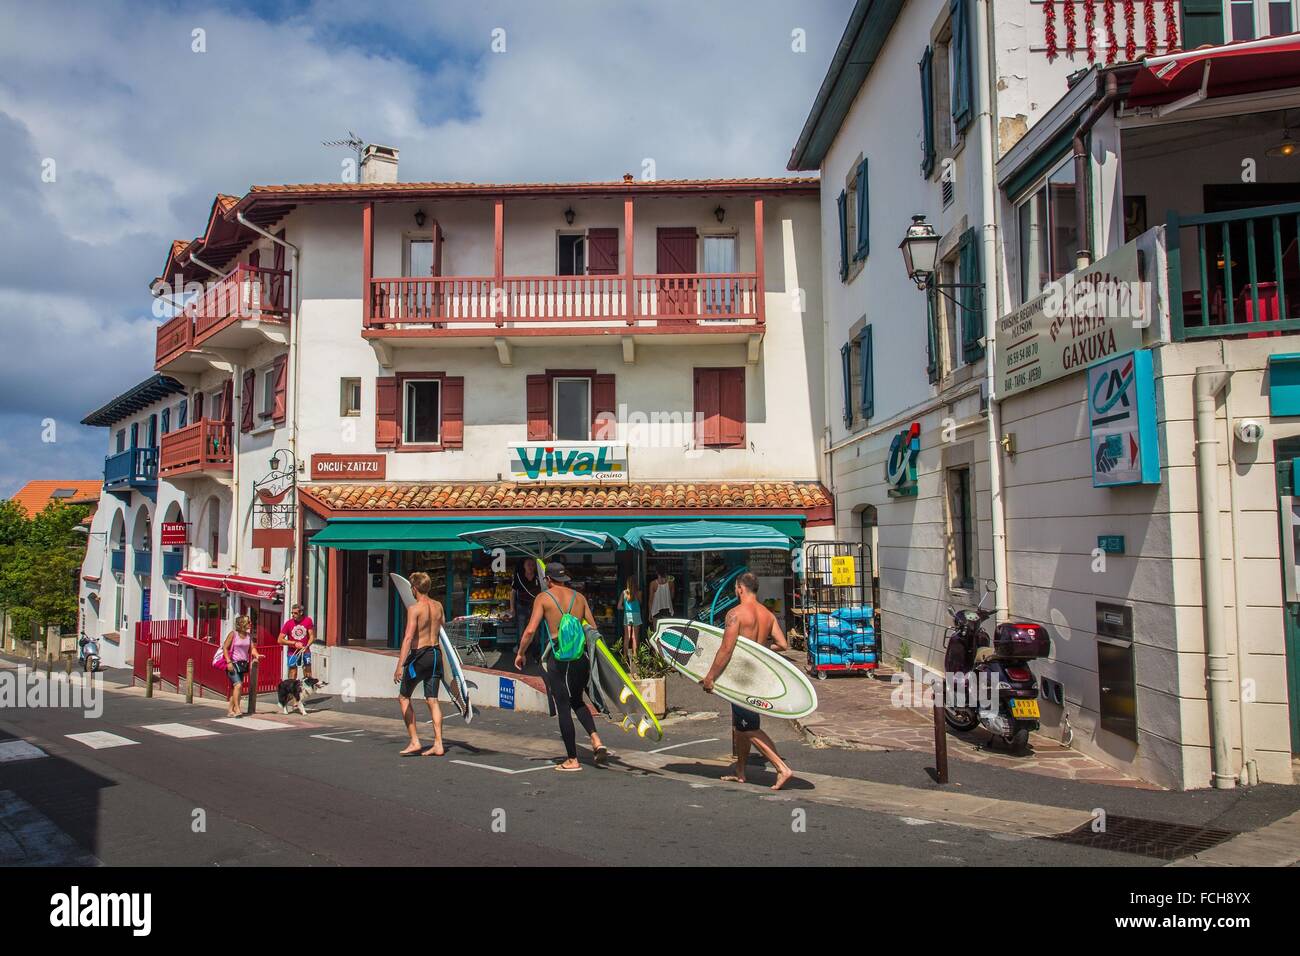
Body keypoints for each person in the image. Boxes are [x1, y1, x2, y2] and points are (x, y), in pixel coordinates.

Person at [701, 572, 795, 791]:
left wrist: (710, 677)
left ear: (740, 589)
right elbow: (782, 645)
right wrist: (760, 649)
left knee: (748, 728)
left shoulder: (736, 614)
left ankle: (782, 768)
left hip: (741, 680)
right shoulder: (767, 615)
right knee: (741, 726)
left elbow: (726, 649)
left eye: (736, 588)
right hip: (757, 678)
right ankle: (740, 771)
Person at [515, 561, 607, 772]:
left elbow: (530, 631)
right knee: (578, 700)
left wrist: (521, 653)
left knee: (563, 707)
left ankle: (572, 759)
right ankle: (596, 740)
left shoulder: (543, 598)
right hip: (580, 658)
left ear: (547, 579)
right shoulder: (580, 598)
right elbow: (593, 629)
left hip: (561, 658)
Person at [393, 571, 445, 757]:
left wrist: (400, 665)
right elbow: (442, 625)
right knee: (432, 699)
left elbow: (408, 638)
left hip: (420, 657)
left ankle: (415, 741)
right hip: (435, 655)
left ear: (414, 589)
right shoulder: (438, 605)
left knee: (404, 697)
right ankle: (438, 743)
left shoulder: (414, 609)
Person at [221, 615, 261, 718]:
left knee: (236, 688)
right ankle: (237, 709)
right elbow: (225, 648)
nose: (250, 623)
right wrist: (229, 662)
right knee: (238, 685)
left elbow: (252, 648)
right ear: (242, 624)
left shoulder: (248, 636)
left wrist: (256, 654)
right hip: (233, 664)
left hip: (242, 664)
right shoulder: (233, 634)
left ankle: (230, 710)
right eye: (248, 622)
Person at [277, 602, 318, 686]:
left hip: (305, 650)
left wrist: (307, 646)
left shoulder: (308, 621)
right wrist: (294, 643)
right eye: (292, 613)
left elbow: (312, 636)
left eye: (295, 613)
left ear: (301, 613)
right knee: (293, 671)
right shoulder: (288, 623)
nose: (293, 615)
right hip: (293, 652)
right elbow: (280, 640)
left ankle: (306, 691)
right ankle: (291, 691)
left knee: (307, 670)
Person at [510, 557, 542, 663]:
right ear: (524, 566)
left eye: (533, 565)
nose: (531, 567)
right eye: (528, 564)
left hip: (535, 608)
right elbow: (513, 592)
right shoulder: (518, 577)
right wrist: (512, 608)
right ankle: (521, 653)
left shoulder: (538, 577)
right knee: (521, 630)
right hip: (521, 606)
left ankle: (536, 654)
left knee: (536, 632)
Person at [621, 577, 642, 673]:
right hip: (636, 614)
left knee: (627, 637)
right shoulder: (638, 593)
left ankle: (624, 657)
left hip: (627, 615)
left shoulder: (624, 593)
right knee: (635, 637)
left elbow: (618, 606)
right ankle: (635, 657)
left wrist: (625, 608)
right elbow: (640, 603)